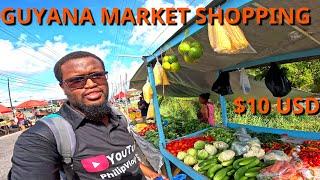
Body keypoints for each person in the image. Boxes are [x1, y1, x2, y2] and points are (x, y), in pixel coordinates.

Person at [10, 51, 166, 180]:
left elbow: (127, 159)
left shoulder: (119, 117)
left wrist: (151, 174)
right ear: (63, 87)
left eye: (97, 75)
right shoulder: (41, 138)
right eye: (77, 80)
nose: (91, 84)